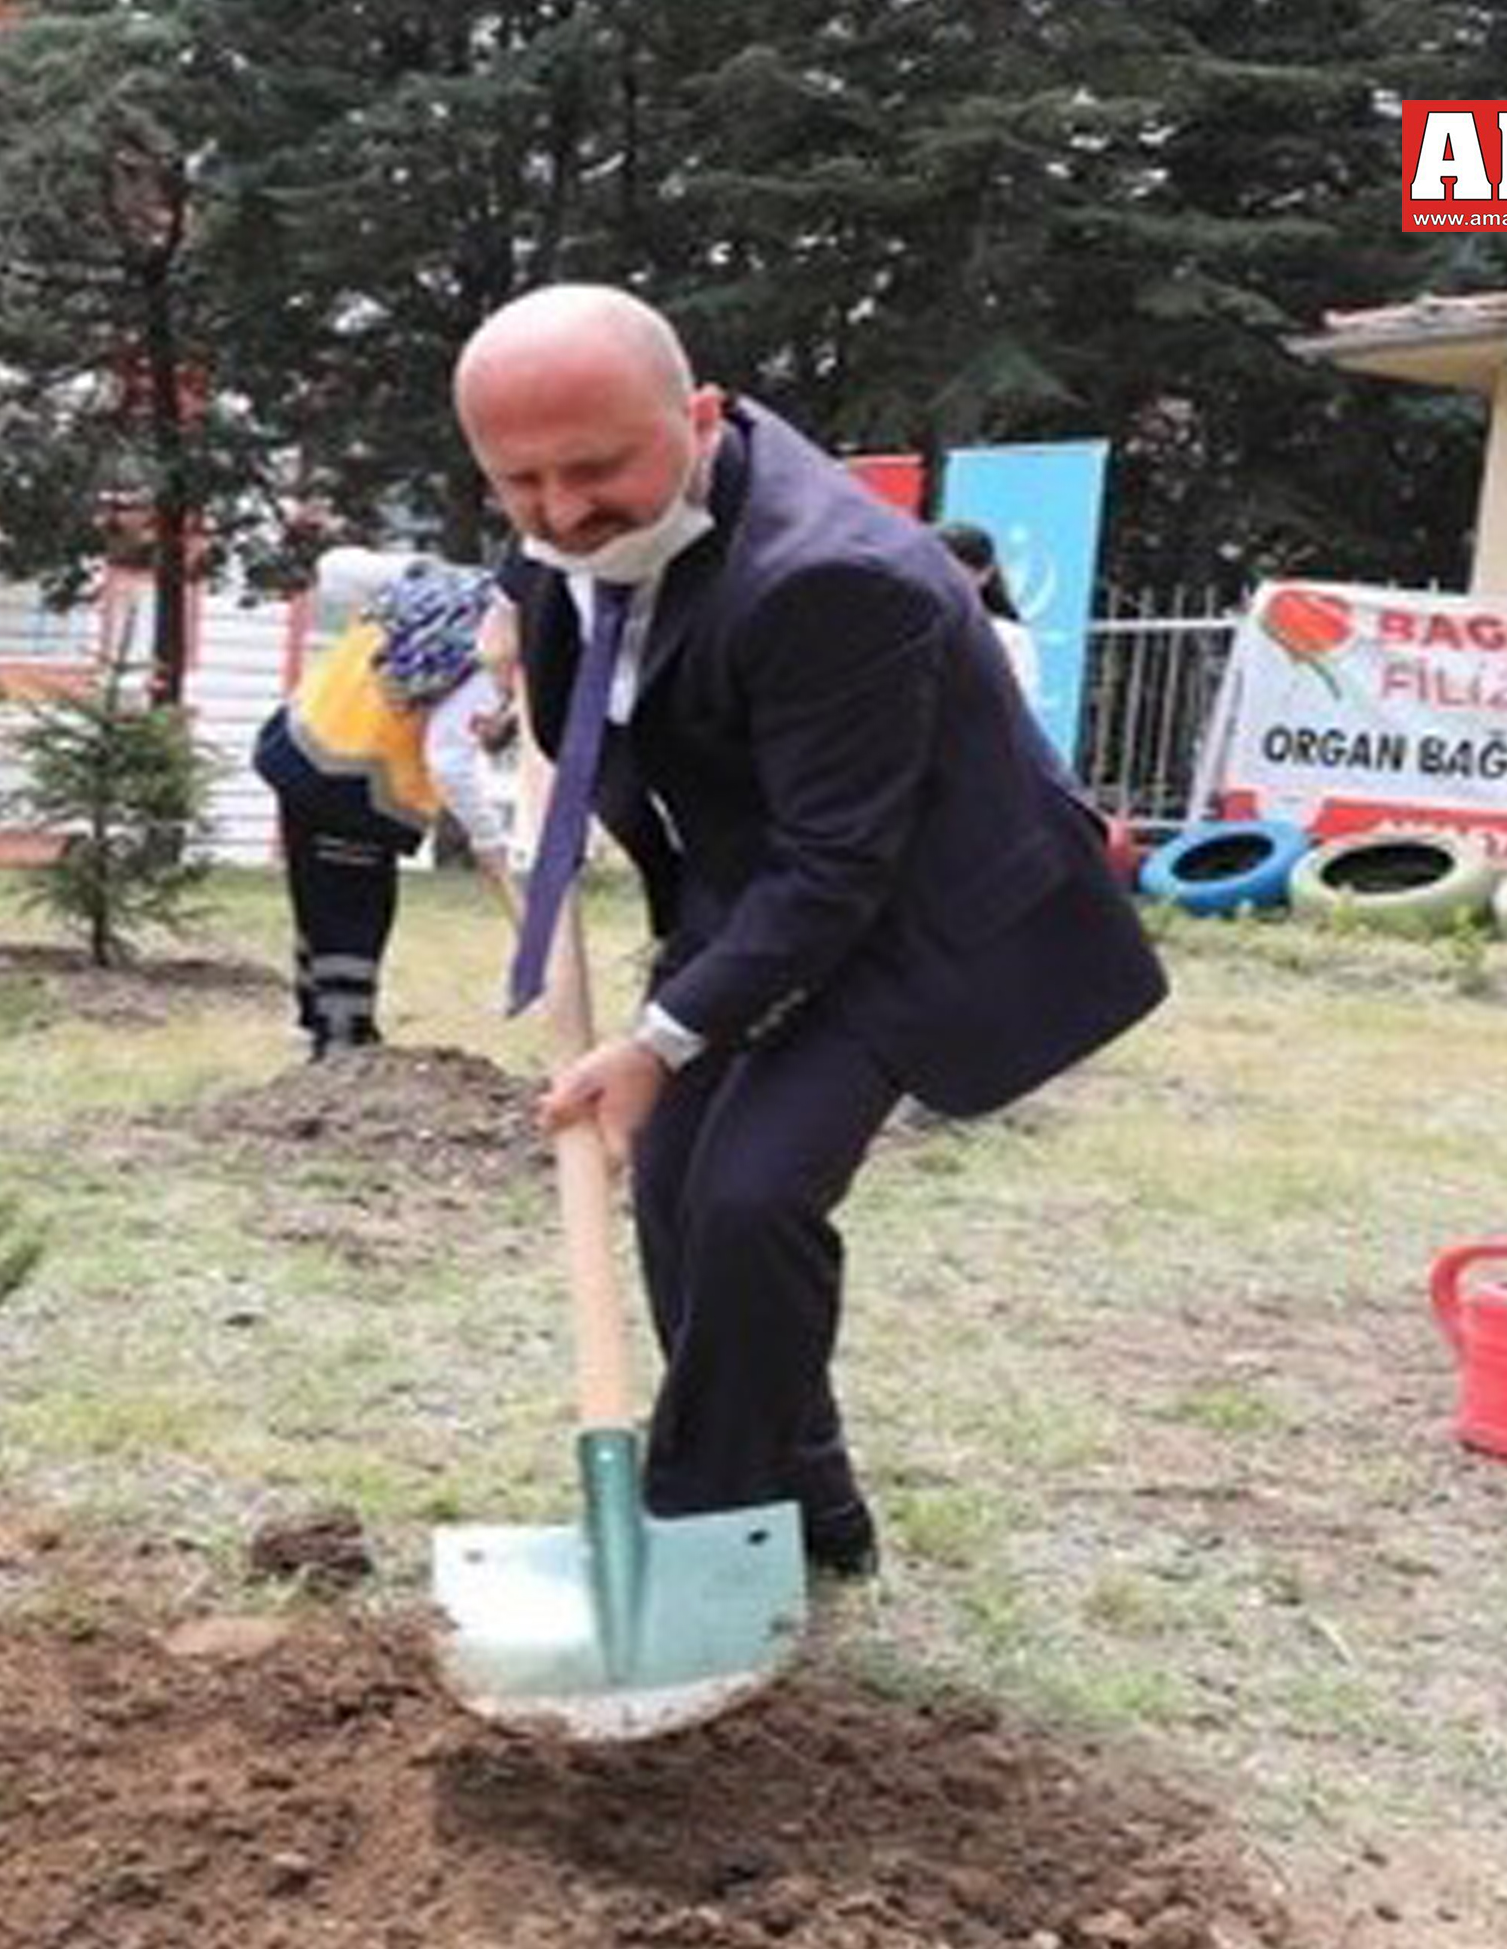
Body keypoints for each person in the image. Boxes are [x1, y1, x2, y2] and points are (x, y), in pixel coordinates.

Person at [456, 284, 1166, 1580]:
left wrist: (660, 1038)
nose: (562, 513)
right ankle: (816, 1509)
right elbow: (577, 703)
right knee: (676, 1190)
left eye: (597, 468)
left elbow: (840, 866)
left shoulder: (835, 576)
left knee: (750, 1196)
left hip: (920, 908)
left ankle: (695, 1528)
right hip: (763, 891)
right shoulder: (568, 543)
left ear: (703, 418)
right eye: (522, 483)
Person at [252, 555, 522, 1058]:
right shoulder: (495, 653)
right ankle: (342, 1045)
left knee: (321, 897)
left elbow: (334, 567)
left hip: (299, 742)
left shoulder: (449, 586)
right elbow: (450, 759)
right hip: (352, 780)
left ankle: (317, 1023)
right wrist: (488, 839)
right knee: (354, 909)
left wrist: (412, 566)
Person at [930, 519, 1044, 716]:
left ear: (984, 574)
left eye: (955, 570)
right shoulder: (909, 624)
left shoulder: (1008, 637)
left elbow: (1017, 707)